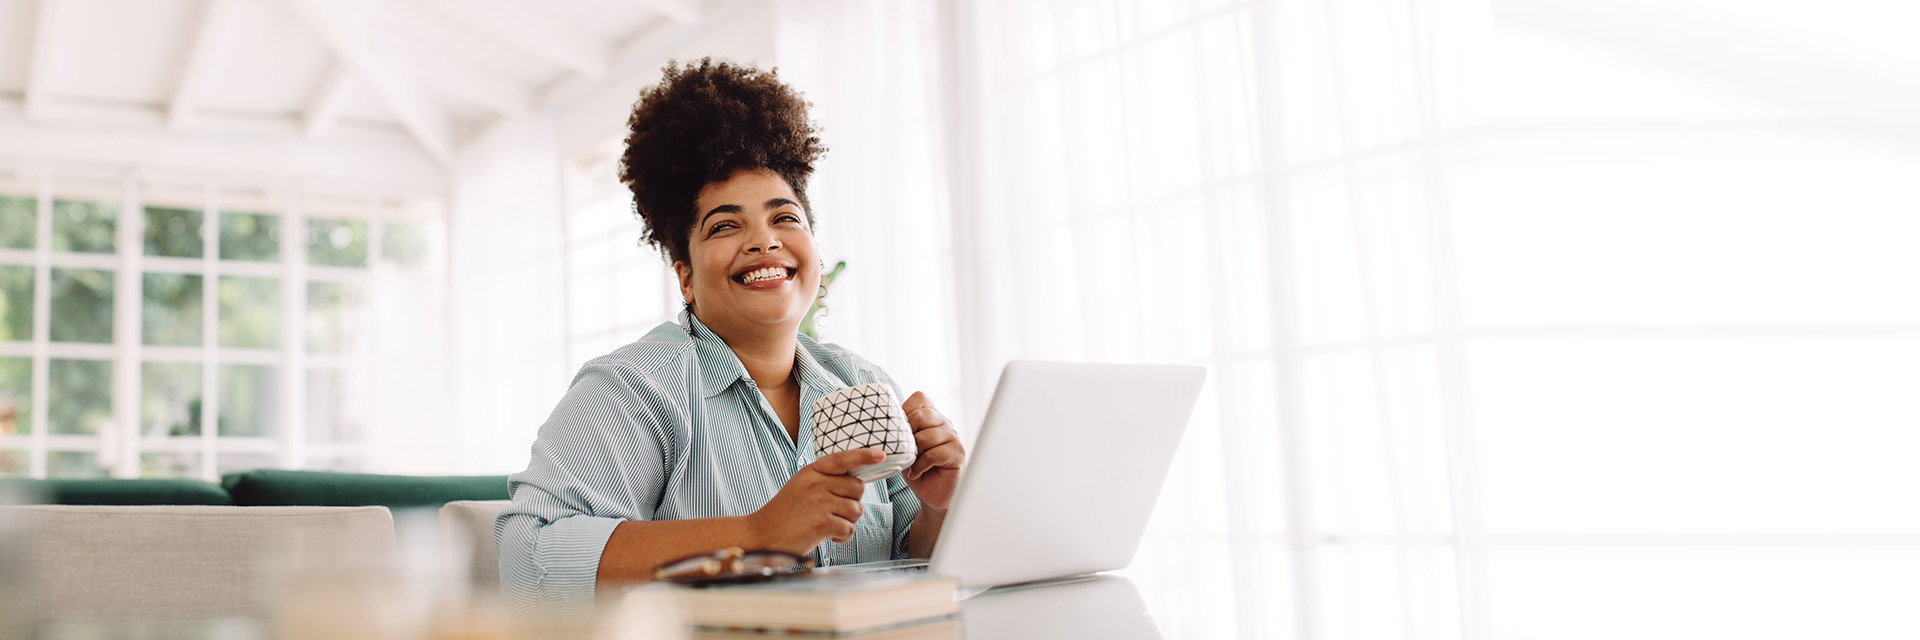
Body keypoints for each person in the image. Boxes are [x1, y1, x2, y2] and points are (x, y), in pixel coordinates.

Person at [496, 59, 967, 610]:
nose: (764, 241)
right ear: (686, 278)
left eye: (785, 218)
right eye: (725, 225)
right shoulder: (633, 390)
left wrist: (939, 506)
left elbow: (912, 565)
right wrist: (758, 534)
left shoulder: (862, 384)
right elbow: (526, 560)